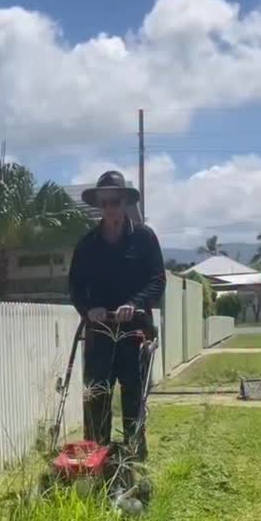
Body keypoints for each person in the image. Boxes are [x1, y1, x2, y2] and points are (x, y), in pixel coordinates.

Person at [68, 170, 166, 460]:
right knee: (97, 394)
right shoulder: (87, 244)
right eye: (105, 203)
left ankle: (135, 456)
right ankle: (97, 457)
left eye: (115, 201)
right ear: (99, 206)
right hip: (99, 331)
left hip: (134, 330)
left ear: (125, 203)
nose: (110, 208)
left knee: (133, 395)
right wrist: (89, 309)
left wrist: (135, 304)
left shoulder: (145, 239)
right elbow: (75, 285)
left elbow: (157, 280)